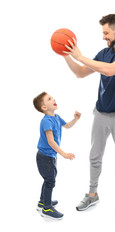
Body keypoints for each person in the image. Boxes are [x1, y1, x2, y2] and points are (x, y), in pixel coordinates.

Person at [63, 14, 115, 221]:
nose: (104, 37)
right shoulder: (103, 53)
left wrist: (80, 56)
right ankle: (92, 194)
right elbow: (80, 73)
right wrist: (66, 54)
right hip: (100, 113)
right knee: (94, 157)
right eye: (102, 33)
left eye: (106, 33)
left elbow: (108, 71)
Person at [33, 92, 81, 220]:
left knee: (48, 179)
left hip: (50, 156)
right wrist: (64, 154)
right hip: (45, 157)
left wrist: (75, 119)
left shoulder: (56, 117)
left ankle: (42, 202)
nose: (53, 99)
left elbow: (67, 126)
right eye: (49, 99)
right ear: (44, 107)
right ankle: (47, 209)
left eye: (52, 97)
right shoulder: (46, 121)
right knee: (50, 181)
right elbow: (51, 141)